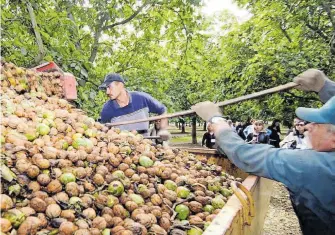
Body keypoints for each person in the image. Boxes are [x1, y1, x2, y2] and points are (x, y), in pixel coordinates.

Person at [191, 68, 335, 235]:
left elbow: (245, 154)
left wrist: (215, 119)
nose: (308, 126)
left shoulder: (314, 166)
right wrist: (325, 86)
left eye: (317, 124)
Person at [99, 73, 168, 136]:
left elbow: (162, 110)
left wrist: (163, 130)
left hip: (146, 146)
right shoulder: (107, 109)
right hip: (122, 148)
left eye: (109, 87)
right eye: (106, 89)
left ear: (121, 85)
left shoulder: (141, 98)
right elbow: (104, 130)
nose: (107, 92)